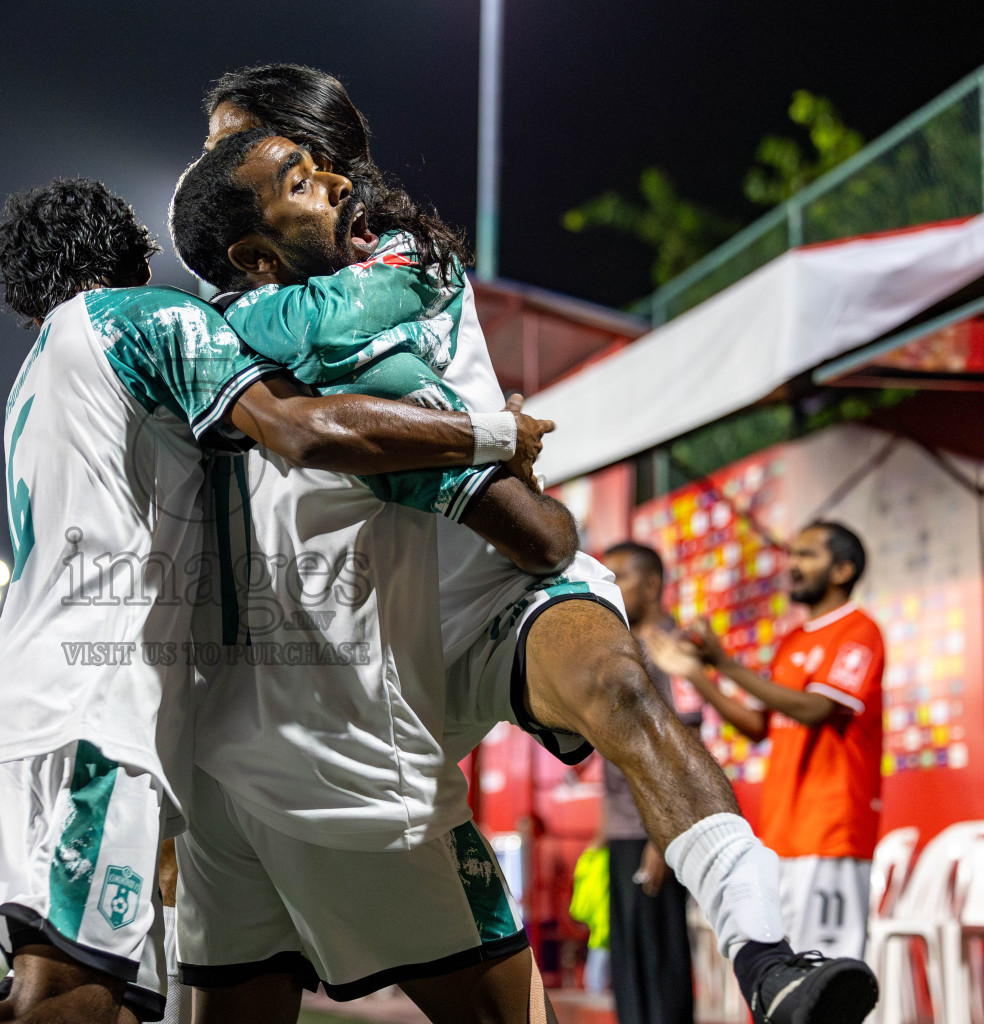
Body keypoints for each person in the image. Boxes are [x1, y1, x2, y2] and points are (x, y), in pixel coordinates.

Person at [174, 66, 879, 1024]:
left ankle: (768, 953)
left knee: (620, 684)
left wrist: (243, 338)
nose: (212, 161)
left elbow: (346, 364)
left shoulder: (403, 256)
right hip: (344, 652)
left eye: (236, 144)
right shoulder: (225, 312)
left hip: (485, 581)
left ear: (320, 151)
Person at [0, 178, 576, 1024]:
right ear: (133, 250)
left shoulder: (36, 374)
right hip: (93, 718)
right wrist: (490, 434)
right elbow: (301, 430)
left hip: (26, 709)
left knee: (62, 1002)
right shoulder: (141, 316)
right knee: (76, 1011)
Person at [654, 522, 885, 961]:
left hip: (832, 831)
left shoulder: (860, 630)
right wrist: (698, 674)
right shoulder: (792, 641)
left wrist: (726, 663)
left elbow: (815, 709)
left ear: (843, 570)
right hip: (784, 833)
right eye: (792, 554)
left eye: (808, 555)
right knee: (787, 969)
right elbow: (758, 727)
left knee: (826, 971)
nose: (793, 565)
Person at [598, 542, 697, 1024]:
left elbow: (684, 751)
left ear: (653, 584)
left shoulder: (671, 648)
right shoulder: (627, 646)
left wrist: (663, 838)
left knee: (661, 966)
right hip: (623, 832)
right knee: (630, 963)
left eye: (620, 577)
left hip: (654, 831)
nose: (610, 587)